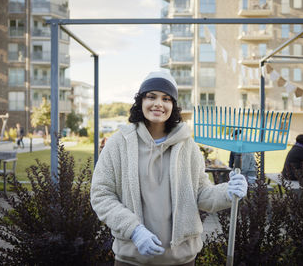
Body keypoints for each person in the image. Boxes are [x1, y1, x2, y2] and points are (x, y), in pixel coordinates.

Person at [90, 71, 248, 266]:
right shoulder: (118, 143)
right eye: (151, 96)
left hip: (182, 259)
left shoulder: (188, 146)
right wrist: (134, 230)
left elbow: (201, 194)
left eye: (166, 98)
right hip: (132, 259)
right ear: (140, 101)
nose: (158, 103)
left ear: (173, 106)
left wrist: (227, 192)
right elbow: (101, 194)